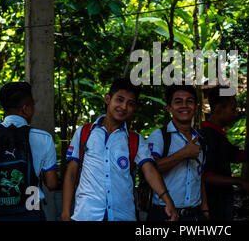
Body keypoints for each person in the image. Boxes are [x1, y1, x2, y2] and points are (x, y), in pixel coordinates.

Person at [61, 78, 178, 221]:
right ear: (107, 99)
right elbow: (71, 174)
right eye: (119, 100)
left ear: (134, 108)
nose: (123, 107)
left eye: (130, 104)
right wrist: (65, 214)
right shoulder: (84, 133)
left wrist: (167, 199)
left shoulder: (135, 140)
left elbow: (150, 171)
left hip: (123, 216)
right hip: (86, 215)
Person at [0, 82, 58, 221]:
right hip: (31, 213)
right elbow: (52, 183)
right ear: (25, 109)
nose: (34, 109)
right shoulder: (43, 138)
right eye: (33, 105)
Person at [146, 84, 209, 221]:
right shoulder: (160, 136)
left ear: (196, 107)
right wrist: (183, 154)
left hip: (195, 215)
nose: (184, 106)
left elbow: (200, 177)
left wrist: (205, 209)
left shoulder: (200, 141)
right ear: (169, 108)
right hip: (165, 213)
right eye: (178, 102)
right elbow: (149, 170)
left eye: (190, 101)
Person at [199, 86, 249, 221]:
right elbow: (206, 176)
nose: (235, 113)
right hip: (212, 205)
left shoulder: (218, 135)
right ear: (218, 109)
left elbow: (236, 156)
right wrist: (238, 181)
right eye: (233, 109)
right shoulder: (208, 136)